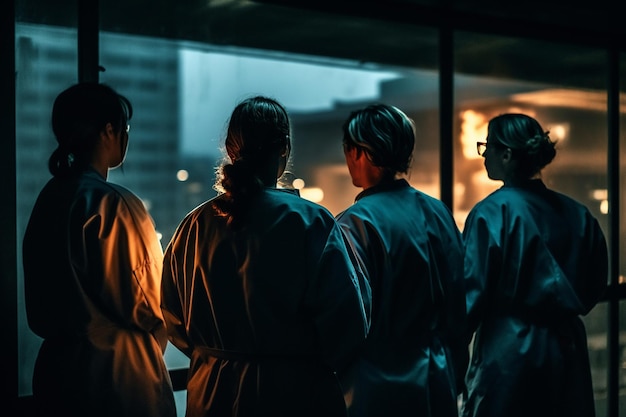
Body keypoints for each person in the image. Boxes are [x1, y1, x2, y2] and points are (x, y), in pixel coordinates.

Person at [161, 95, 371, 417]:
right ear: (284, 148)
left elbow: (174, 320)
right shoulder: (310, 222)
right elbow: (348, 324)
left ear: (231, 150)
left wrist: (221, 357)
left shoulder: (194, 226)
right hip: (293, 393)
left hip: (211, 391)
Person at [22, 82, 176, 417]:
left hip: (56, 374)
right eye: (125, 129)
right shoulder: (114, 204)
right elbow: (152, 303)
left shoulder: (50, 198)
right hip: (117, 376)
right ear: (109, 130)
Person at [461, 113, 608, 417]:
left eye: (487, 145)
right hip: (568, 350)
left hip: (510, 354)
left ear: (507, 154)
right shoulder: (578, 215)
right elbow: (594, 285)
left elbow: (470, 297)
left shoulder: (491, 212)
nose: (484, 153)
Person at [335, 103, 467, 417]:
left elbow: (345, 316)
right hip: (437, 375)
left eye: (348, 148)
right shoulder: (436, 212)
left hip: (377, 384)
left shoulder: (355, 222)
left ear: (362, 152)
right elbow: (459, 301)